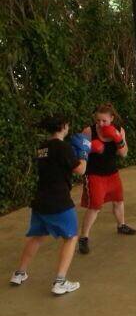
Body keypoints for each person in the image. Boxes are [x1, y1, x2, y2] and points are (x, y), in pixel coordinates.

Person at [9, 116, 87, 295]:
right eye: (67, 125)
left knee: (37, 236)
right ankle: (60, 281)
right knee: (71, 237)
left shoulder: (42, 147)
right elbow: (81, 170)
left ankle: (20, 273)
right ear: (62, 127)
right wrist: (83, 153)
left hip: (41, 199)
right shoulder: (63, 147)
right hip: (59, 200)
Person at [77, 104, 136, 255]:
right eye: (98, 120)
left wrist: (117, 138)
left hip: (112, 173)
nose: (101, 124)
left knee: (118, 200)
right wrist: (90, 148)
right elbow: (78, 153)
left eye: (104, 120)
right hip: (94, 174)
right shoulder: (89, 131)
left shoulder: (119, 130)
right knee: (95, 206)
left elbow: (124, 154)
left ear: (112, 118)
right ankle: (83, 238)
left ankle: (121, 225)